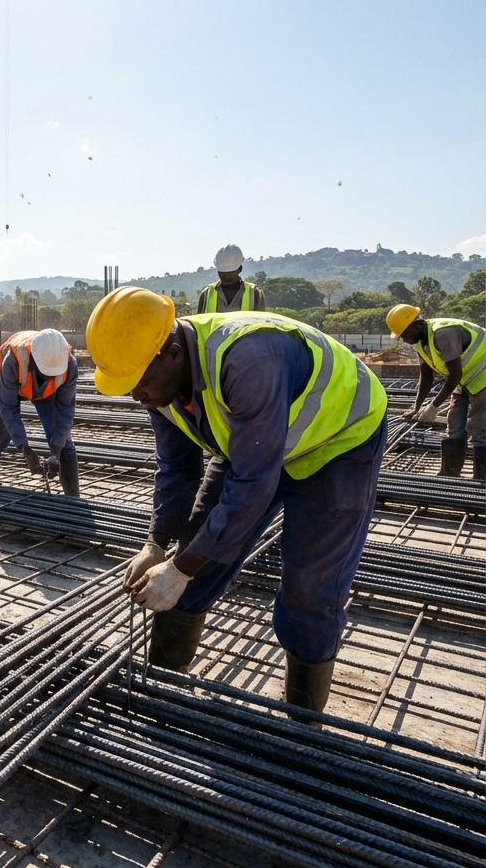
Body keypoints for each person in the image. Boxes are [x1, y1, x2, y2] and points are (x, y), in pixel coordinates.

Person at [87, 288, 387, 715]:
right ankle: (164, 690)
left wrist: (179, 568)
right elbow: (177, 469)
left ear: (173, 354)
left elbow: (253, 485)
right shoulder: (159, 385)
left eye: (137, 382)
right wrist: (157, 546)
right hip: (253, 448)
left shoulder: (249, 360)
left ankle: (301, 726)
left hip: (339, 445)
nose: (135, 394)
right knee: (190, 555)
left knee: (309, 587)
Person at [0, 328, 80, 496]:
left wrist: (55, 452)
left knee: (63, 439)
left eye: (53, 375)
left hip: (48, 394)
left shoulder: (69, 364)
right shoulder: (13, 360)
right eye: (45, 374)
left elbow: (66, 411)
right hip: (10, 385)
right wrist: (26, 449)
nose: (49, 378)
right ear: (33, 360)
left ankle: (74, 500)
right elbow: (8, 409)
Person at [387, 304, 485, 480]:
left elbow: (455, 373)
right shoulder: (421, 341)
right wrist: (417, 406)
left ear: (416, 326)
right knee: (454, 425)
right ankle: (449, 474)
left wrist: (433, 407)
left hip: (482, 376)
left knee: (479, 428)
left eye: (402, 334)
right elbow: (426, 377)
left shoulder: (443, 334)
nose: (401, 339)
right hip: (465, 379)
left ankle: (481, 480)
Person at [197, 244, 266, 313]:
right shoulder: (207, 294)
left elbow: (261, 322)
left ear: (240, 269)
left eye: (230, 272)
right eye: (222, 272)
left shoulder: (254, 293)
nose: (226, 276)